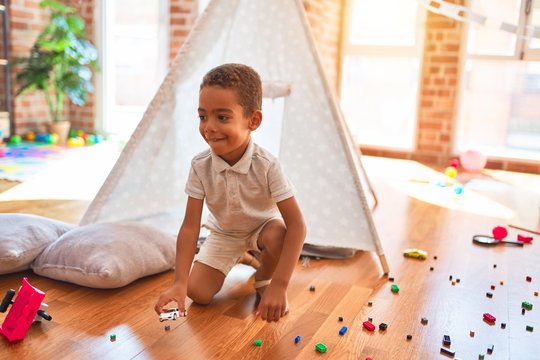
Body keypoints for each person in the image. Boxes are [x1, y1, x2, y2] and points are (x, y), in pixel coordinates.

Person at [154, 63, 306, 322]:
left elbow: (297, 226)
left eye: (222, 117)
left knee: (279, 233)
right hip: (225, 234)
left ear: (253, 120)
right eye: (203, 116)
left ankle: (263, 275)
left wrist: (279, 285)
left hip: (263, 231)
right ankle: (243, 256)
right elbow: (190, 227)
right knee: (198, 292)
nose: (209, 127)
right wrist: (179, 282)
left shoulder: (267, 165)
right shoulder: (200, 166)